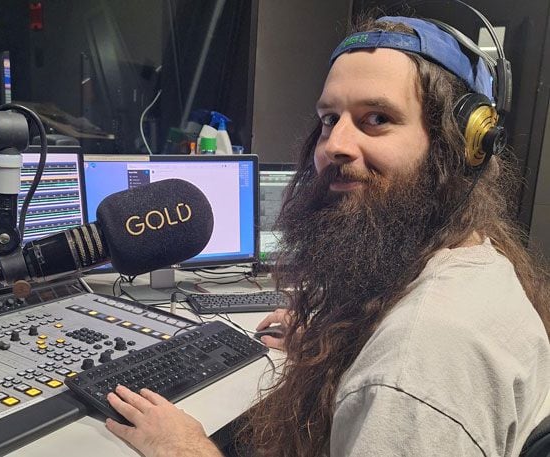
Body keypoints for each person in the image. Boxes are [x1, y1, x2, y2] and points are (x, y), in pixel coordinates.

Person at [102, 14, 550, 457]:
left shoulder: (415, 367)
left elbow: (408, 383)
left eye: (377, 118)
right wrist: (340, 344)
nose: (334, 144)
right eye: (330, 118)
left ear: (460, 146)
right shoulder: (476, 264)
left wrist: (188, 450)